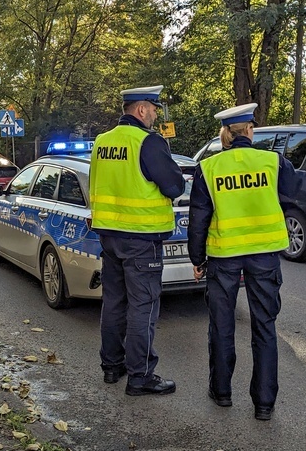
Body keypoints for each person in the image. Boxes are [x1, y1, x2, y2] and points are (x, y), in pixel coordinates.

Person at [188, 103, 306, 420]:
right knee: (265, 328)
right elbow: (301, 186)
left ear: (225, 134)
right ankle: (264, 404)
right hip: (264, 257)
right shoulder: (270, 162)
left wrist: (197, 259)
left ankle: (222, 393)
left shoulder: (209, 169)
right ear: (250, 131)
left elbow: (198, 220)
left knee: (222, 327)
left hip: (224, 257)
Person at [89, 85, 187, 396]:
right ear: (141, 110)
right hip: (141, 239)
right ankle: (140, 376)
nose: (156, 114)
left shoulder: (102, 142)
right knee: (143, 306)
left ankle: (111, 366)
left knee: (115, 302)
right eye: (154, 109)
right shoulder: (148, 142)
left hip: (109, 236)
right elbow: (174, 186)